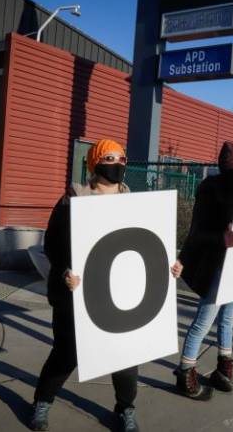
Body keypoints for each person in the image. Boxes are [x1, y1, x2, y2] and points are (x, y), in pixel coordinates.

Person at [30, 139, 141, 432]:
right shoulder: (72, 198)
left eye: (122, 158)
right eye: (109, 157)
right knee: (67, 352)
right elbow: (52, 244)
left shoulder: (135, 202)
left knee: (125, 355)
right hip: (75, 292)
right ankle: (42, 401)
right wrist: (66, 270)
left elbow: (146, 248)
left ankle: (126, 408)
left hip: (119, 294)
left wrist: (169, 266)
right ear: (95, 163)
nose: (117, 163)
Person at [171, 141, 233, 400]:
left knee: (227, 317)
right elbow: (199, 230)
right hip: (219, 264)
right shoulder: (214, 190)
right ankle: (185, 370)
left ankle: (224, 369)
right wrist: (221, 240)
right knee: (205, 320)